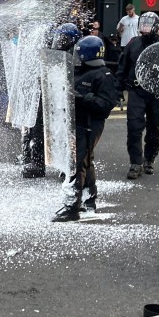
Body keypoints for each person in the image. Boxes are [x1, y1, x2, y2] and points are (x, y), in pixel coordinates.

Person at [52, 35, 119, 222]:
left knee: (76, 164)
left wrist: (84, 97)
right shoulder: (79, 71)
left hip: (90, 125)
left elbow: (106, 105)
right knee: (84, 162)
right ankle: (89, 199)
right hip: (77, 123)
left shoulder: (103, 75)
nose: (76, 57)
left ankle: (72, 207)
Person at [21, 23, 80, 177]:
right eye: (58, 38)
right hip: (48, 96)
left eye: (64, 39)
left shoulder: (76, 55)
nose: (60, 42)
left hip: (64, 100)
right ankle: (38, 163)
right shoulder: (51, 54)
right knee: (38, 129)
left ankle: (67, 167)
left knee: (66, 133)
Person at [116, 11, 159, 179]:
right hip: (137, 90)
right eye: (143, 25)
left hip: (156, 93)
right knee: (134, 127)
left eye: (148, 25)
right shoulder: (133, 43)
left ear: (155, 27)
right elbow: (123, 66)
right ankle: (135, 163)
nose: (144, 29)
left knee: (154, 127)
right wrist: (119, 88)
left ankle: (149, 159)